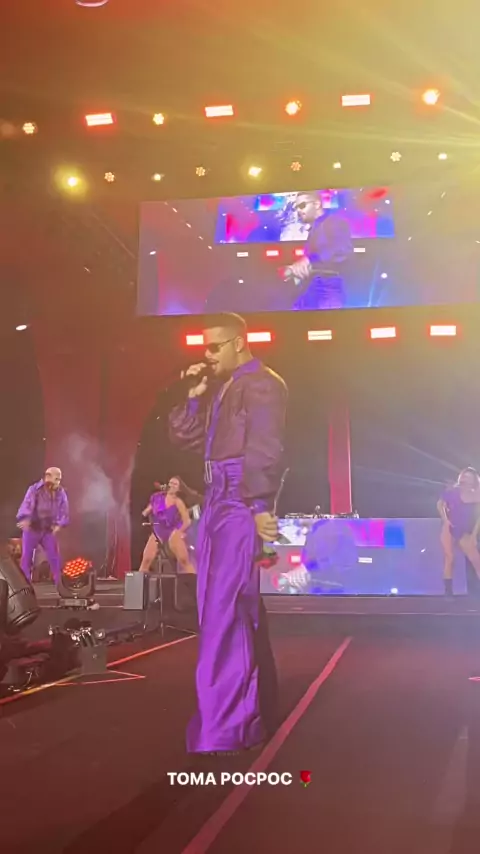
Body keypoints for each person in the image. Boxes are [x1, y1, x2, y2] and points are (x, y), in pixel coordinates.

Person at [169, 312, 287, 755]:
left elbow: (264, 449)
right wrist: (193, 399)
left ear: (239, 342)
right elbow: (184, 439)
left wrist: (259, 506)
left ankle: (230, 727)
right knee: (219, 608)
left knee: (225, 610)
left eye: (214, 346)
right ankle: (250, 710)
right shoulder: (222, 388)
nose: (206, 354)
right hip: (217, 502)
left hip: (238, 501)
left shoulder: (263, 385)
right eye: (204, 346)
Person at [282, 191, 352, 310]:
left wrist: (309, 260)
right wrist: (295, 271)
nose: (298, 211)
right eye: (296, 207)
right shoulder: (315, 228)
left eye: (302, 205)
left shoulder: (333, 222)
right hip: (313, 287)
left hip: (328, 287)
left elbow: (340, 247)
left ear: (317, 204)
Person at [16, 467, 69, 586]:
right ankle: (24, 585)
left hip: (47, 529)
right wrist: (26, 519)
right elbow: (27, 505)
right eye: (56, 479)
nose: (58, 482)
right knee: (26, 558)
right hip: (32, 528)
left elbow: (64, 510)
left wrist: (59, 524)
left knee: (54, 557)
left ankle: (60, 584)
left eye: (59, 480)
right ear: (48, 477)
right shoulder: (34, 490)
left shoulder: (60, 492)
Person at [139, 476, 197, 574]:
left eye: (175, 484)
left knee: (184, 560)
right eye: (171, 483)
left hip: (172, 531)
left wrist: (179, 532)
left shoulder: (178, 502)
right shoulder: (158, 498)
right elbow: (147, 511)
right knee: (146, 559)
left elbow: (187, 521)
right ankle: (138, 582)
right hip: (158, 531)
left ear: (178, 489)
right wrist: (146, 513)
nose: (172, 485)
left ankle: (195, 581)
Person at [437, 467, 480, 596]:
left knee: (476, 559)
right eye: (464, 476)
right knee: (449, 558)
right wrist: (445, 520)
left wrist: (474, 535)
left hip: (464, 530)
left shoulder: (477, 494)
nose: (465, 479)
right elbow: (440, 504)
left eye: (468, 477)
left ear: (474, 480)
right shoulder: (453, 492)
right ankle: (448, 592)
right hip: (450, 527)